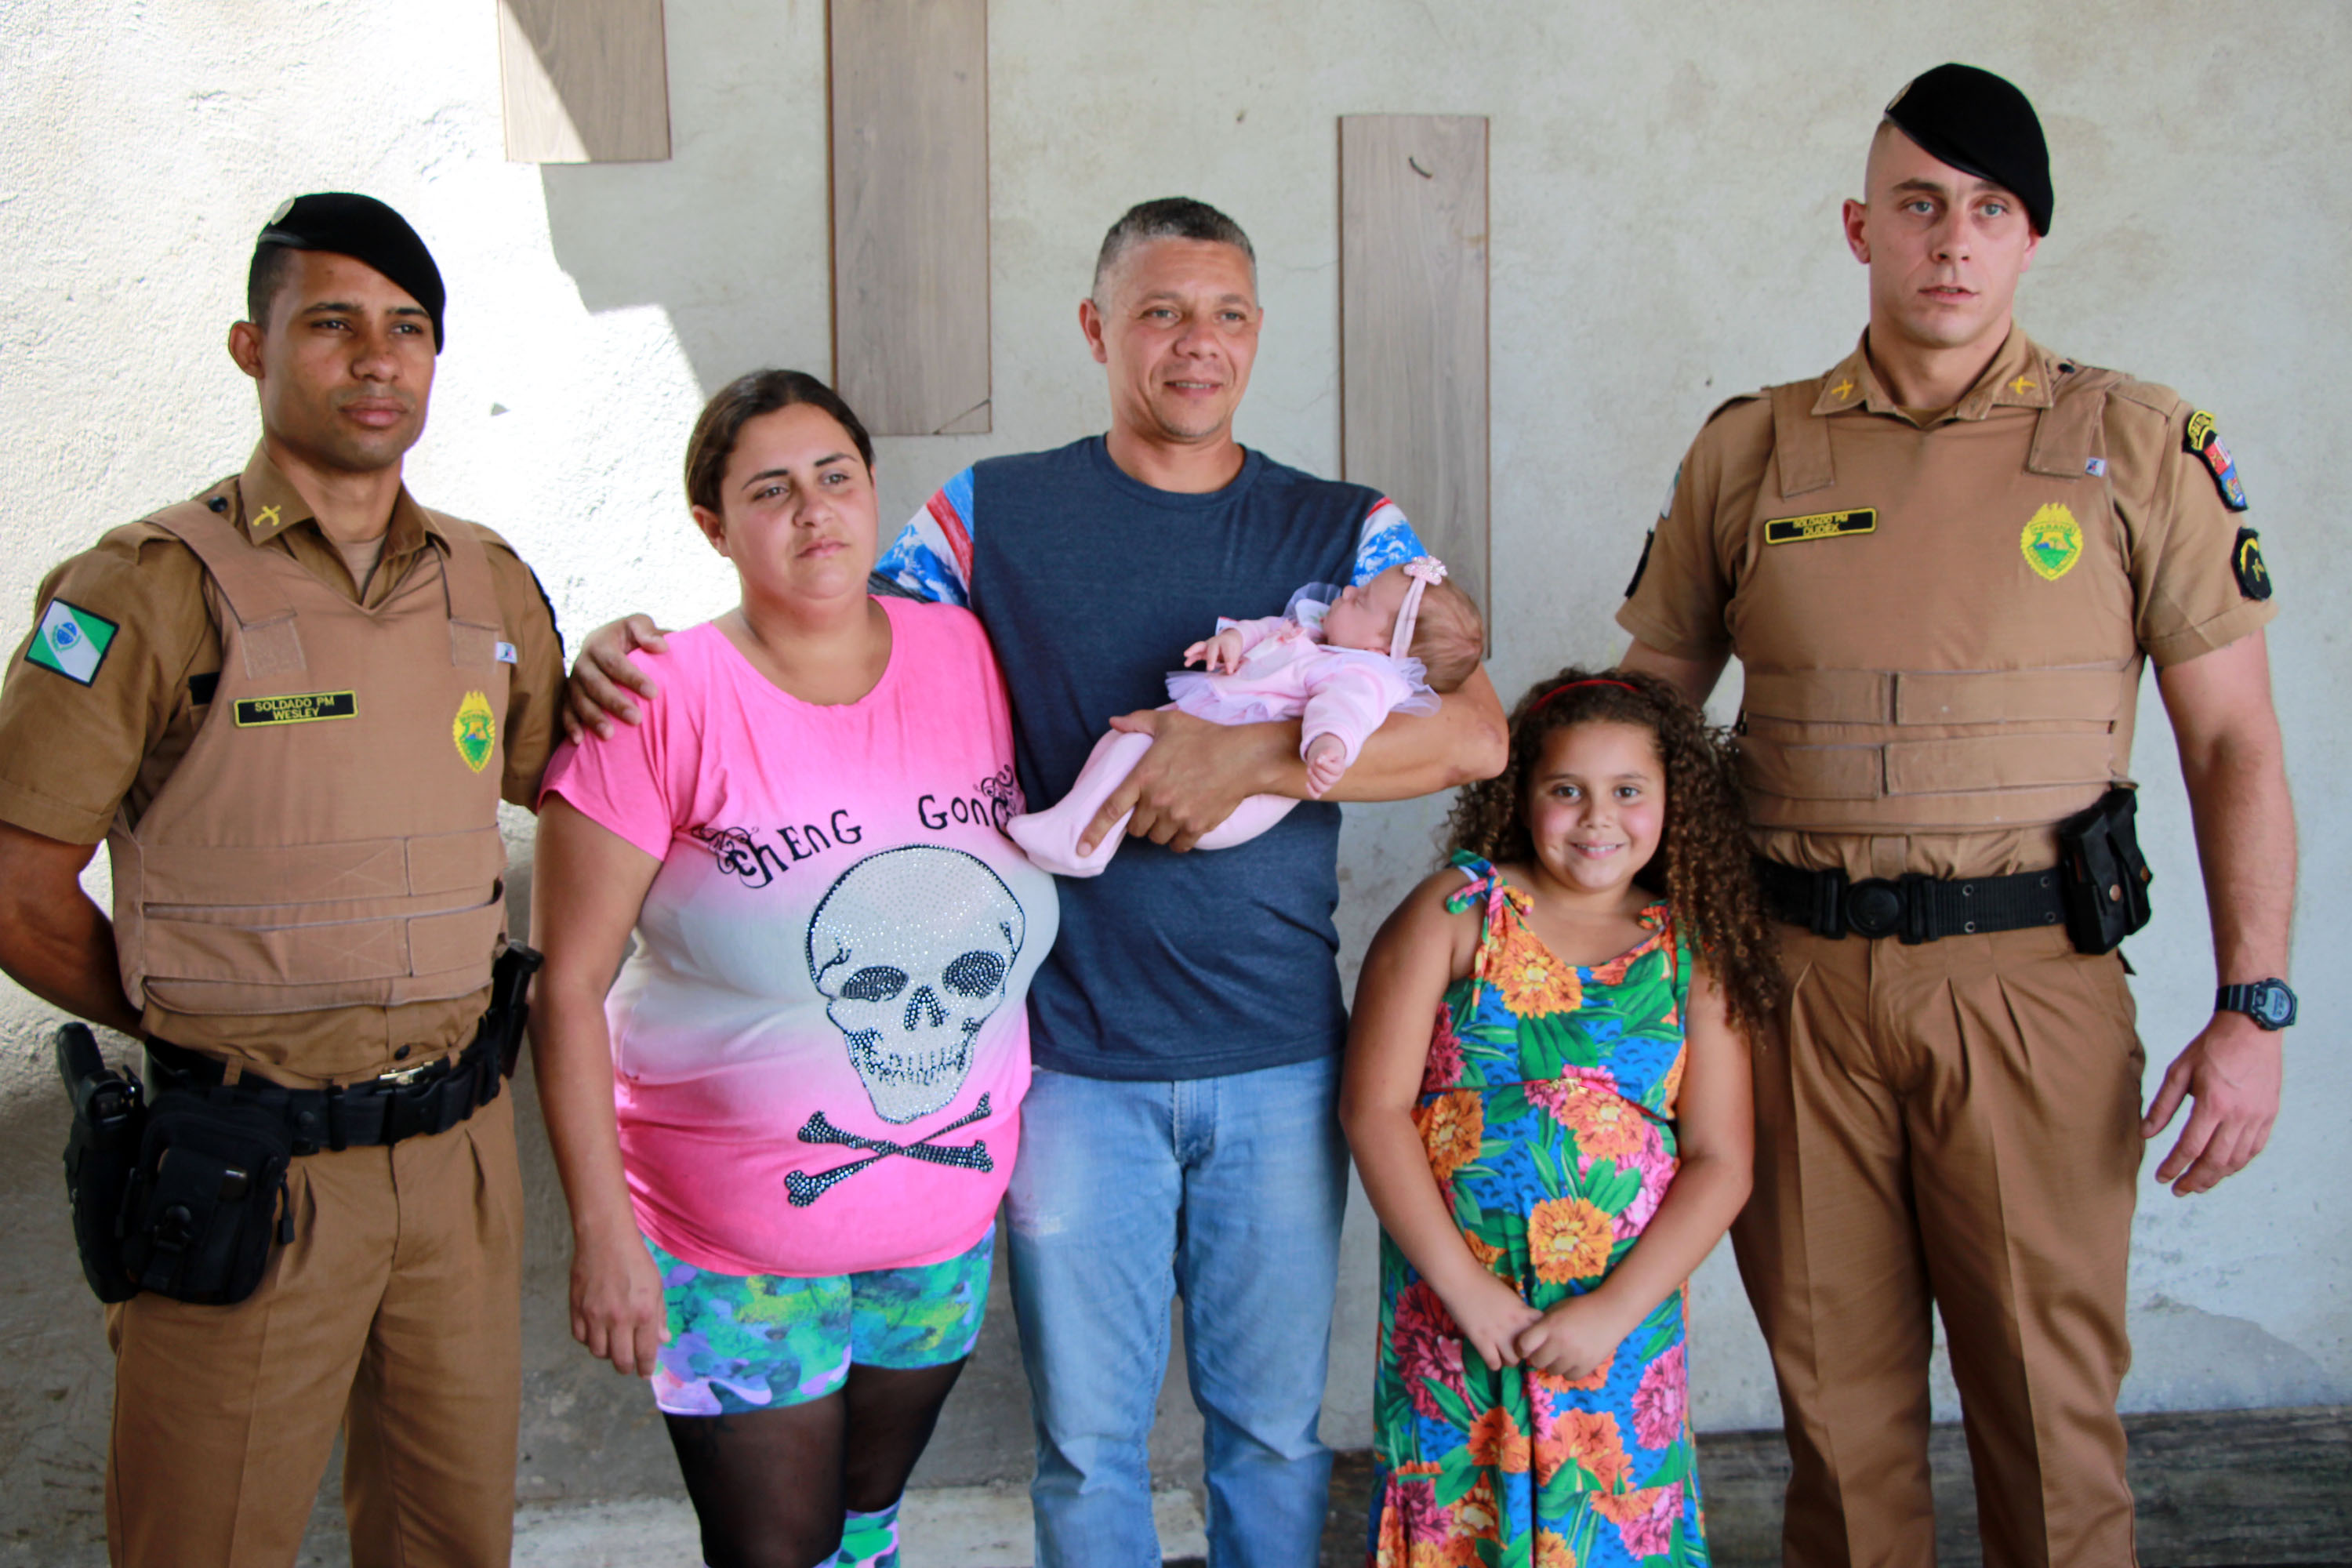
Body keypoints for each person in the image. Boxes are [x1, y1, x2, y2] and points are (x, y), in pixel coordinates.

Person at [565, 198, 1509, 1567]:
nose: (1199, 345)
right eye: (1162, 312)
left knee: (1273, 1435)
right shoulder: (988, 516)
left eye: (1230, 314)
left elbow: (1476, 733)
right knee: (1088, 1451)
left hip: (1282, 1057)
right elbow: (833, 634)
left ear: (1259, 332)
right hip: (1069, 1063)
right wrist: (628, 650)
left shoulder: (1348, 527)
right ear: (1097, 328)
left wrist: (1246, 757)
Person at [1618, 64, 2296, 1567]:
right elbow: (1638, 722)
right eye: (1920, 206)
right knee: (1838, 1431)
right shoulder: (1752, 452)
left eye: (1991, 212)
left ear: (2030, 242)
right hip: (1786, 996)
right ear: (1860, 226)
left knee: (2051, 1426)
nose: (1953, 241)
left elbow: (2236, 740)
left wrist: (2255, 1006)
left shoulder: (2140, 444)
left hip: (2027, 986)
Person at [0, 193, 565, 1567]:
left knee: (452, 1542)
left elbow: (579, 790)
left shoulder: (490, 587)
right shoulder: (144, 590)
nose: (377, 360)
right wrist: (207, 1029)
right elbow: (15, 885)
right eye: (333, 324)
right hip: (247, 1164)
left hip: (458, 1164)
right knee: (205, 1543)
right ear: (253, 348)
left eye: (408, 330)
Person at [532, 369, 1058, 1568]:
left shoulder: (971, 654)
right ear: (714, 528)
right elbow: (564, 987)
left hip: (941, 1227)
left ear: (876, 496)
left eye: (837, 479)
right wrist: (600, 1231)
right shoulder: (659, 696)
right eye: (771, 491)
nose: (815, 512)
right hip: (728, 1244)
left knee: (865, 1530)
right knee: (776, 1551)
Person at [1342, 670, 1776, 1565]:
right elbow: (1372, 1109)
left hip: (1614, 1331)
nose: (1596, 817)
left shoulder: (1691, 949)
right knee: (1459, 1531)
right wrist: (1468, 1292)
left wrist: (1613, 1311)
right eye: (1566, 790)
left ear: (1673, 802)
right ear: (1522, 793)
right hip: (1456, 1315)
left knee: (1607, 1534)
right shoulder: (1456, 913)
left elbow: (1722, 1158)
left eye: (1628, 792)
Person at [1008, 554, 1484, 875]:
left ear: (1380, 648)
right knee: (1120, 741)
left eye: (1361, 600)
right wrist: (1231, 642)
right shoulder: (1319, 632)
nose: (1349, 588)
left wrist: (1328, 746)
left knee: (1131, 749)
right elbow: (1267, 630)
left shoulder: (1360, 674)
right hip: (1203, 737)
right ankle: (1071, 825)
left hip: (1236, 799)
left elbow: (1343, 712)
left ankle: (1077, 842)